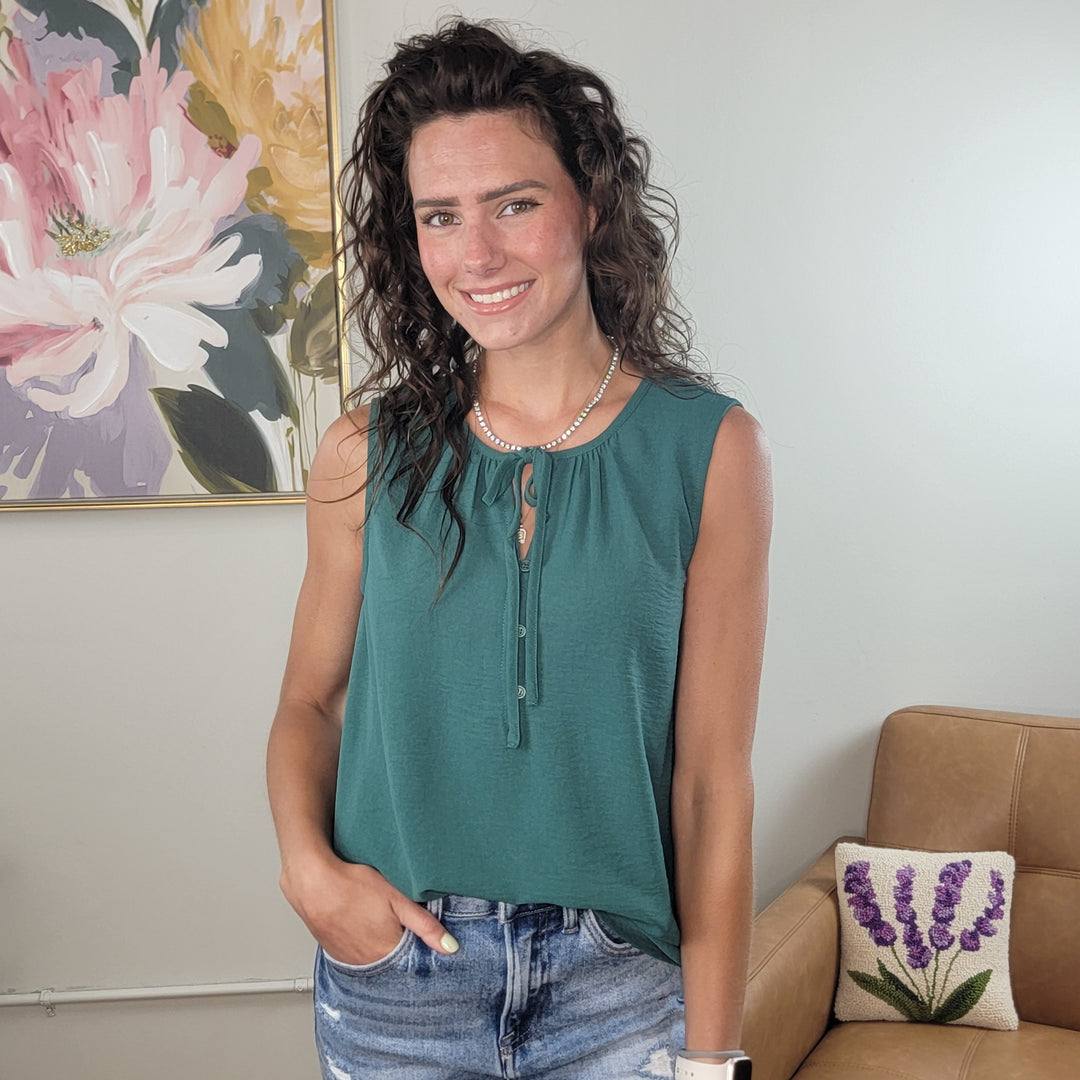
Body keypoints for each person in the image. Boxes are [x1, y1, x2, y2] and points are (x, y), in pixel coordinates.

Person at [267, 18, 771, 1080]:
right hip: (400, 980)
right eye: (440, 217)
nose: (477, 254)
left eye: (515, 204)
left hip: (619, 988)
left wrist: (713, 1058)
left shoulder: (710, 450)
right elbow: (311, 704)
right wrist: (309, 873)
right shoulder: (366, 452)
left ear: (588, 205)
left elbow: (711, 784)